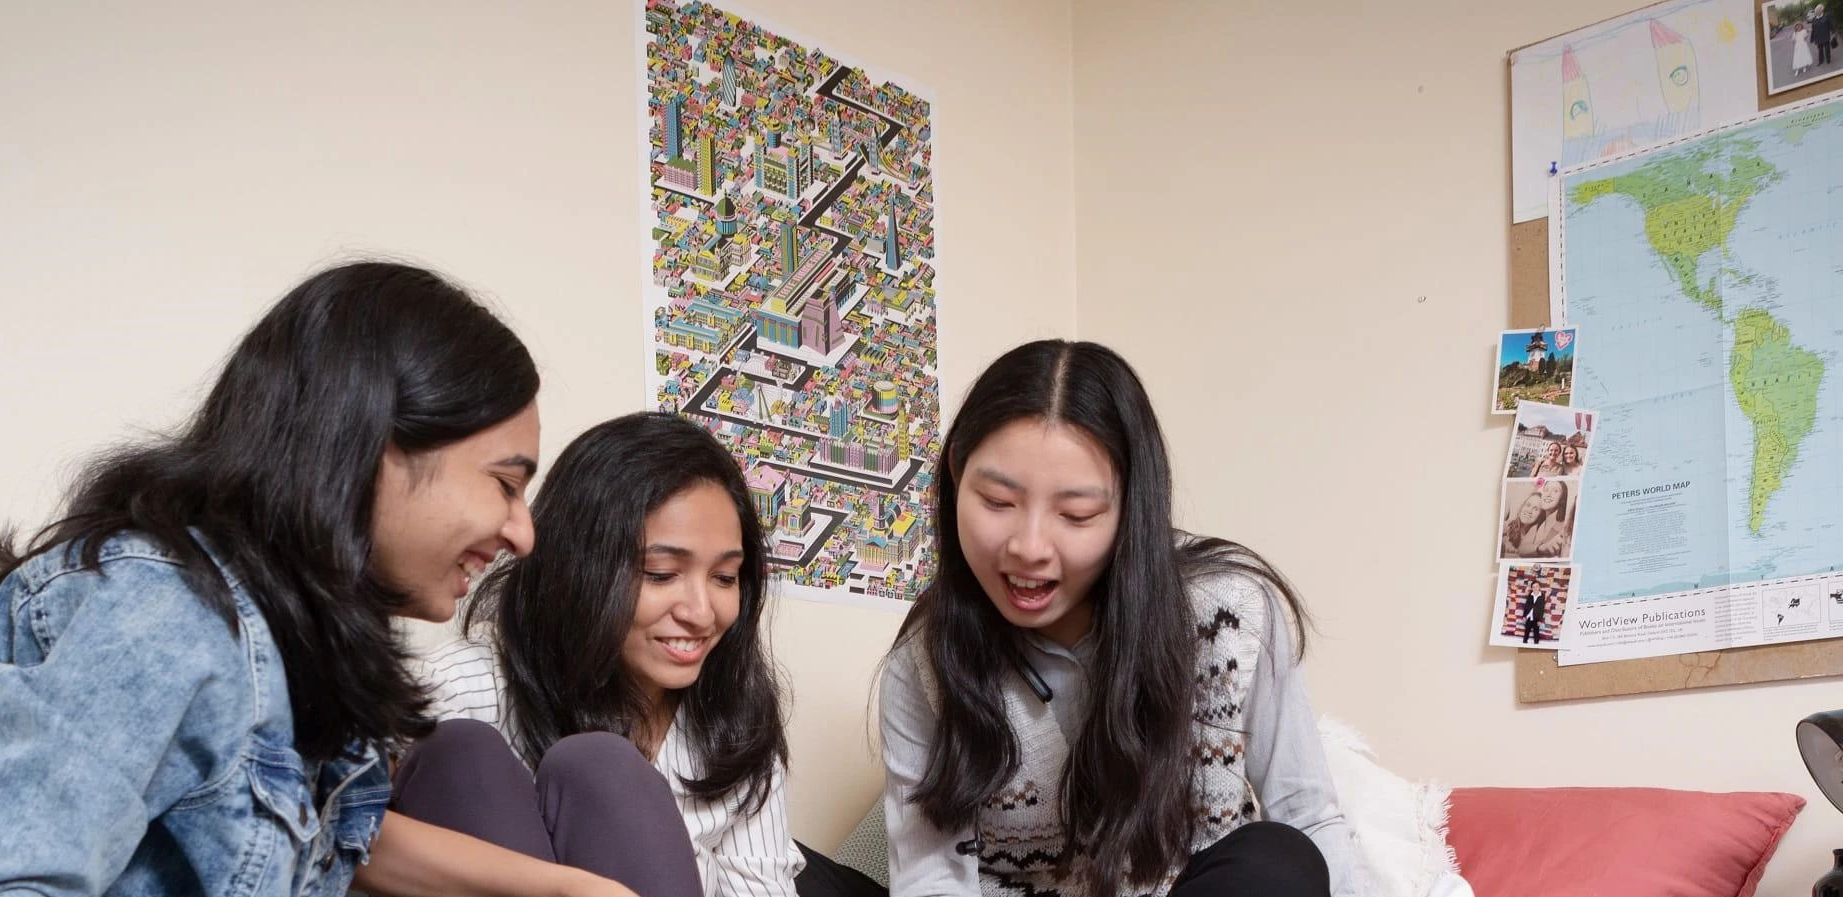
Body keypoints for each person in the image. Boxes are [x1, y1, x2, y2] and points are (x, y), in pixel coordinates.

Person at [0, 261, 635, 897]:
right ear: (376, 447)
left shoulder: (294, 656)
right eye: (504, 482)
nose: (523, 533)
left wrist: (564, 886)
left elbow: (343, 845)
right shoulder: (161, 612)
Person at [879, 340, 1365, 897]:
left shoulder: (1230, 610)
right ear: (955, 478)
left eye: (1076, 514)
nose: (1029, 547)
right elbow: (928, 877)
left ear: (1132, 509)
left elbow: (1306, 812)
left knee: (1280, 856)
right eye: (996, 501)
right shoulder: (925, 662)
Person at [404, 413, 882, 897]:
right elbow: (337, 833)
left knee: (599, 769)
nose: (701, 613)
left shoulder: (734, 727)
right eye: (659, 574)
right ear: (577, 568)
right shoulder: (464, 686)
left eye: (724, 578)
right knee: (461, 754)